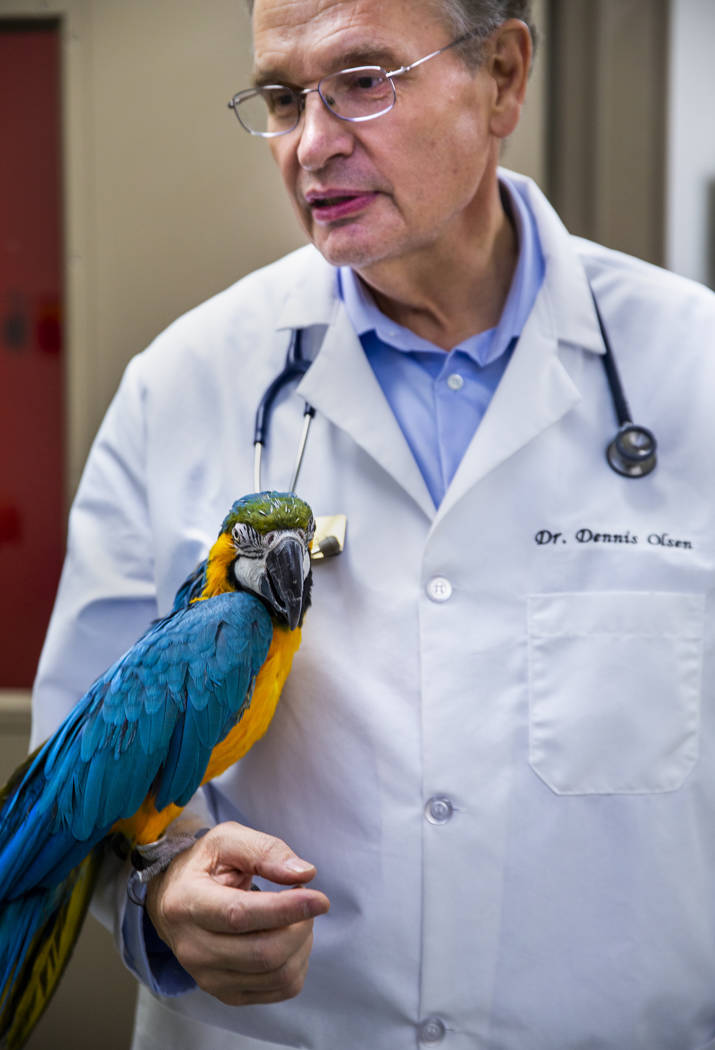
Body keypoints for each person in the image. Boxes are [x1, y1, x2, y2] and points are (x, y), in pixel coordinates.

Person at [31, 0, 715, 1046]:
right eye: (279, 96)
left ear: (502, 78)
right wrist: (164, 892)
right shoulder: (182, 382)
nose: (310, 144)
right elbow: (76, 758)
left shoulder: (694, 369)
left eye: (362, 80)